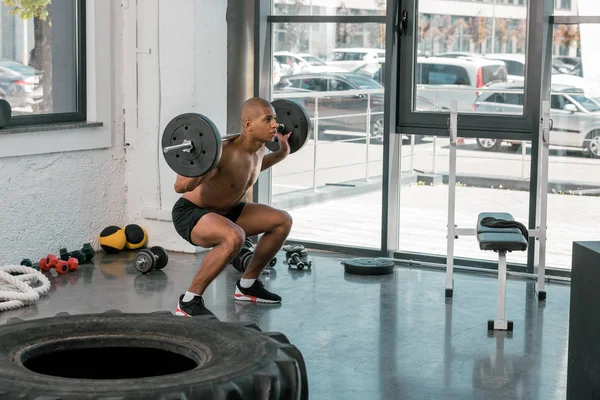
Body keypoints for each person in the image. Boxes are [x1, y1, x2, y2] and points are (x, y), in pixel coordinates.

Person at [171, 97, 293, 317]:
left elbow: (247, 171)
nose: (275, 124)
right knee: (234, 237)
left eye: (274, 118)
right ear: (248, 124)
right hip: (192, 212)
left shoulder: (259, 149)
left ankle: (247, 286)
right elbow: (180, 187)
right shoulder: (222, 152)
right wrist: (200, 164)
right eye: (268, 119)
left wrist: (282, 154)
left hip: (229, 210)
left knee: (282, 221)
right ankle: (189, 301)